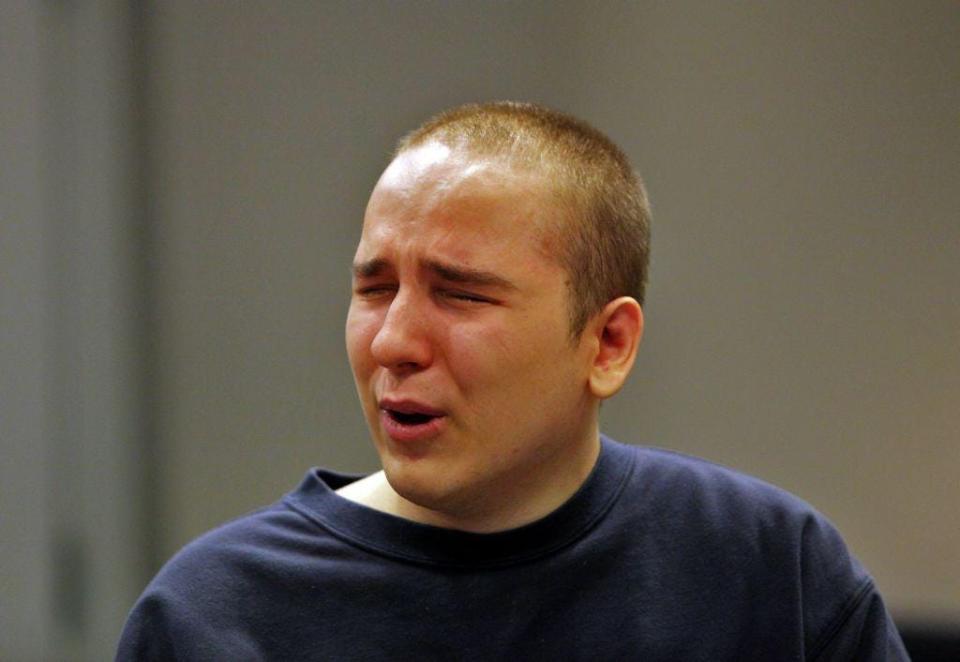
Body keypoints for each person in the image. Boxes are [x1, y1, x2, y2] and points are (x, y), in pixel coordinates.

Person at [117, 102, 908, 660]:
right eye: (373, 288)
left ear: (608, 344)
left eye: (460, 294)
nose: (392, 341)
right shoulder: (217, 615)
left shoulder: (769, 572)